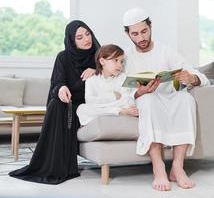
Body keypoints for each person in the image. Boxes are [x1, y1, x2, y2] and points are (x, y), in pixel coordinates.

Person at [123, 8, 210, 191]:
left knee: (186, 99)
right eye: (135, 34)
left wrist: (191, 78)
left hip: (169, 98)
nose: (141, 38)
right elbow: (121, 91)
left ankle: (177, 167)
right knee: (148, 101)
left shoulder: (166, 51)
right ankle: (159, 167)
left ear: (151, 27)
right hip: (147, 100)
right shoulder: (125, 58)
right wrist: (139, 92)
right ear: (128, 34)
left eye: (144, 31)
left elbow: (200, 76)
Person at [9, 20, 100, 184]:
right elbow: (58, 81)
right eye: (79, 37)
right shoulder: (63, 57)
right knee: (57, 103)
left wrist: (97, 70)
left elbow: (113, 72)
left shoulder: (100, 56)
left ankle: (61, 165)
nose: (86, 39)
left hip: (87, 106)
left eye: (88, 34)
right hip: (67, 103)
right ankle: (53, 165)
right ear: (72, 41)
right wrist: (61, 89)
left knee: (62, 107)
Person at [77, 44, 138, 126]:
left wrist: (103, 101)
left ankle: (118, 111)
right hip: (108, 109)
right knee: (81, 108)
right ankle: (118, 111)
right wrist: (113, 96)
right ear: (102, 61)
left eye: (121, 61)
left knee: (128, 101)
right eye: (116, 60)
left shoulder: (123, 77)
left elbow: (126, 97)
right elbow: (90, 101)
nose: (120, 65)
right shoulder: (91, 80)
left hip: (119, 106)